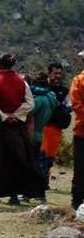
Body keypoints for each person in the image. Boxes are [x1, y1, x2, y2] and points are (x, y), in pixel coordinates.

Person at [0, 53, 44, 205]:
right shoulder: (22, 81)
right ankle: (15, 196)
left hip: (0, 128)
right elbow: (30, 103)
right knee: (18, 160)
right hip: (17, 128)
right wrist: (16, 115)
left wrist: (5, 116)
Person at [28, 72, 57, 202]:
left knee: (32, 164)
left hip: (33, 134)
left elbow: (28, 114)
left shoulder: (38, 100)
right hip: (44, 133)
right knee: (42, 165)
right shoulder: (51, 98)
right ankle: (41, 193)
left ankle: (33, 192)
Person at [43, 62, 70, 190]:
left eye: (60, 73)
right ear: (49, 73)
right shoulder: (42, 87)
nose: (58, 76)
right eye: (55, 73)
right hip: (42, 126)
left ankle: (45, 181)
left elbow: (69, 106)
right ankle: (40, 181)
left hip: (55, 128)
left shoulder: (64, 91)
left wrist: (62, 111)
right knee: (40, 155)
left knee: (50, 157)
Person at [70, 50, 84, 209]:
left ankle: (77, 201)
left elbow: (77, 106)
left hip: (81, 131)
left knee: (80, 168)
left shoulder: (78, 81)